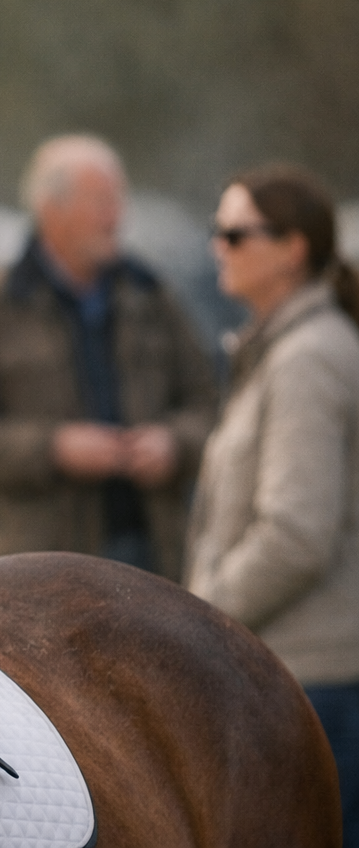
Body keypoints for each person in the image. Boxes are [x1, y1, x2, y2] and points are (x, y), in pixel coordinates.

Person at [0, 134, 216, 578]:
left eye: (118, 200)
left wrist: (175, 442)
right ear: (50, 211)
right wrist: (52, 449)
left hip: (149, 563)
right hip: (26, 574)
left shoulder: (152, 296)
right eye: (100, 202)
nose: (115, 217)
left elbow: (209, 403)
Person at [184, 164, 359, 845]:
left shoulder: (308, 358)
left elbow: (293, 534)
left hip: (314, 677)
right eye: (214, 232)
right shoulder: (288, 349)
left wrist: (199, 623)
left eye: (234, 233)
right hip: (295, 671)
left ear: (292, 249)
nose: (217, 247)